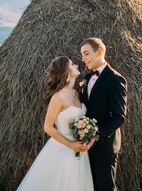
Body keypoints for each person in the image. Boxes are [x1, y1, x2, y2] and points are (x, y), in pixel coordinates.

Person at [17, 56, 96, 191]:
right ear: (65, 71)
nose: (76, 65)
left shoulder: (76, 93)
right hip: (62, 149)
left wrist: (90, 136)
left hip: (80, 150)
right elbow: (48, 127)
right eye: (72, 64)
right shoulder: (58, 97)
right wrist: (71, 144)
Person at [79, 37, 127, 191]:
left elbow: (119, 116)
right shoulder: (86, 79)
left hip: (105, 146)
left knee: (106, 188)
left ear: (99, 52)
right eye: (82, 55)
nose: (83, 59)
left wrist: (96, 135)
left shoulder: (115, 79)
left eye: (86, 54)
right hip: (86, 147)